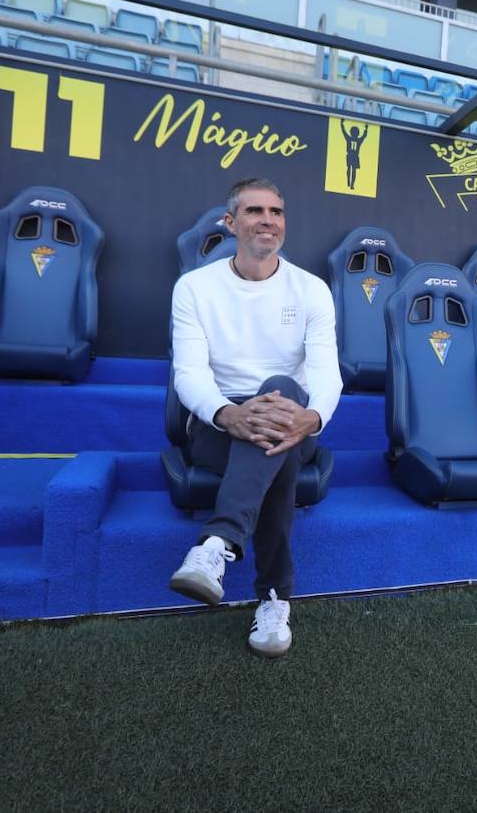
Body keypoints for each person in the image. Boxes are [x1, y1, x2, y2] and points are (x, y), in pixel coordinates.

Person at [168, 176, 341, 657]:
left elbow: (327, 374)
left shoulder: (311, 289)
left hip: (295, 419)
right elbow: (189, 374)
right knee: (277, 452)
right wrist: (228, 414)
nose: (268, 220)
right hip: (218, 425)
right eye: (254, 211)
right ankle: (274, 597)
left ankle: (216, 545)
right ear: (230, 222)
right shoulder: (194, 288)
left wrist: (313, 418)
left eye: (276, 212)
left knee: (282, 391)